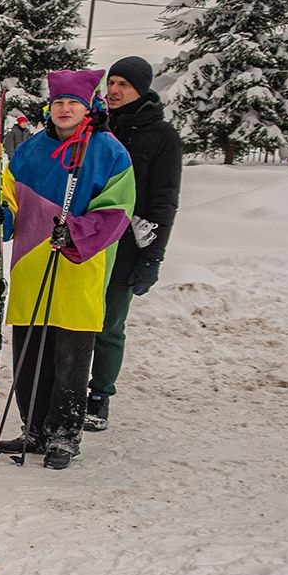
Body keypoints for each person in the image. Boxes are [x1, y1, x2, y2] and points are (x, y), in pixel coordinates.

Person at [0, 70, 134, 469]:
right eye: (59, 103)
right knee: (30, 352)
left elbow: (118, 211)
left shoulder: (109, 151)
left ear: (88, 108)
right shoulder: (29, 151)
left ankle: (64, 433)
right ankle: (34, 428)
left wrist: (79, 231)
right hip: (32, 262)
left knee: (71, 355)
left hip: (80, 267)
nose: (64, 110)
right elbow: (7, 193)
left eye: (73, 104)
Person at [86, 56, 183, 431]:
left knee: (109, 323)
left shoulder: (161, 136)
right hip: (88, 238)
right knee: (78, 319)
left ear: (142, 89)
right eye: (112, 83)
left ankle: (99, 395)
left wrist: (152, 256)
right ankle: (71, 387)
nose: (113, 91)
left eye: (123, 85)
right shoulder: (97, 129)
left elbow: (164, 198)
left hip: (127, 244)